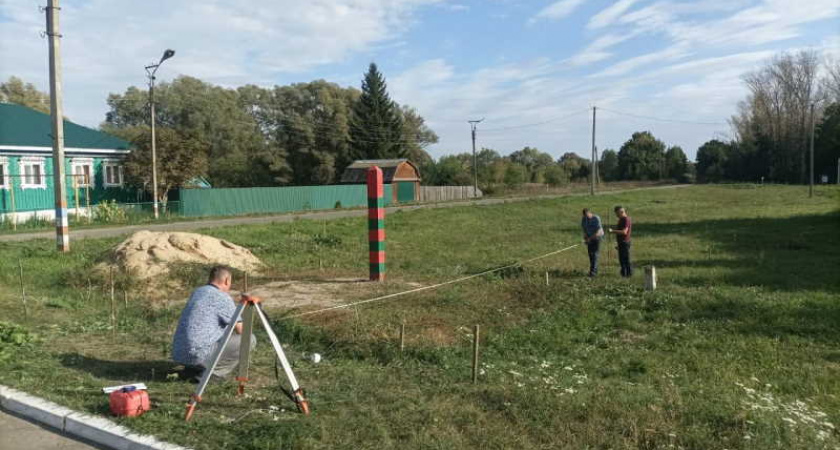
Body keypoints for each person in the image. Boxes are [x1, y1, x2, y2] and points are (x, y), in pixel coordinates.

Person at [172, 266, 256, 382]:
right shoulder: (222, 297)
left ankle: (192, 369)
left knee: (221, 332)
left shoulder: (198, 292)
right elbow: (242, 331)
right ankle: (214, 373)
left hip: (179, 353)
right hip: (198, 353)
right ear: (227, 281)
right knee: (250, 339)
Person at [609, 206, 633, 277]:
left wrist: (612, 231)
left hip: (625, 242)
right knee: (622, 260)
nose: (616, 215)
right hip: (621, 242)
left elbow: (624, 232)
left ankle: (628, 274)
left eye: (617, 213)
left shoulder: (626, 219)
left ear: (621, 212)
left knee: (625, 259)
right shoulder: (621, 219)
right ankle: (624, 274)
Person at [580, 208, 604, 277]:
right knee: (590, 254)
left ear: (590, 213)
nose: (587, 217)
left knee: (594, 254)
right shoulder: (584, 219)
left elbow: (598, 232)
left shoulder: (596, 218)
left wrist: (590, 238)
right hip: (589, 238)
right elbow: (584, 230)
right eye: (585, 216)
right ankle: (593, 270)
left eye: (588, 215)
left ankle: (593, 272)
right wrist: (585, 238)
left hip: (597, 237)